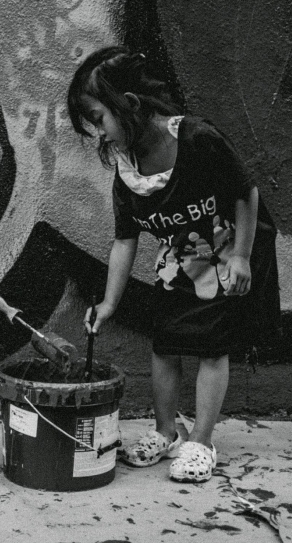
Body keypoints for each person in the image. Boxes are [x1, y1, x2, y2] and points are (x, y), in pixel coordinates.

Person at [66, 46, 279, 483]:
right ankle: (168, 432)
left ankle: (202, 441)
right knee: (164, 342)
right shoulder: (128, 172)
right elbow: (124, 240)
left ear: (129, 104)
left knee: (210, 345)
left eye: (99, 119)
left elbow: (246, 192)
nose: (99, 134)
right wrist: (108, 304)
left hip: (224, 252)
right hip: (178, 260)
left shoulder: (197, 138)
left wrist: (241, 255)